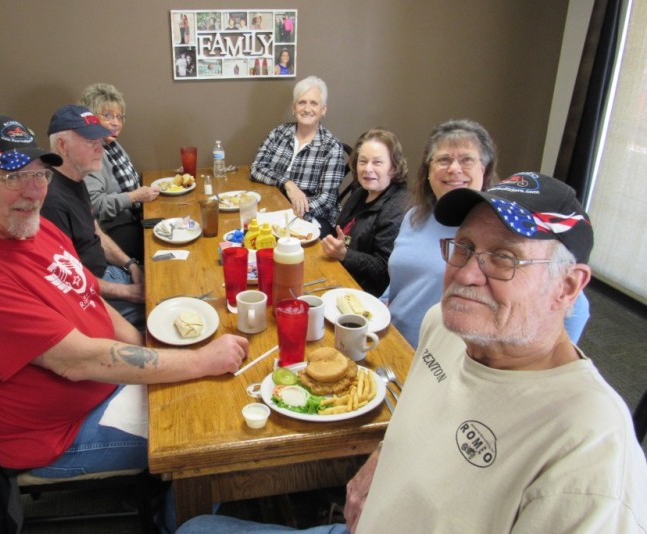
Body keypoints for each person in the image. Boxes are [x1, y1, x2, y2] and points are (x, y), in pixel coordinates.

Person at [178, 172, 647, 533]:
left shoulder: (591, 448)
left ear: (567, 286)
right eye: (463, 247)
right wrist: (375, 466)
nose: (465, 274)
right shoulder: (444, 326)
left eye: (504, 258)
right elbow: (419, 417)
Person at [0, 115, 248, 479]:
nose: (34, 192)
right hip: (60, 434)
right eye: (14, 176)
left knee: (206, 367)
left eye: (40, 174)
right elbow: (75, 361)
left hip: (105, 382)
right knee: (208, 431)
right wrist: (199, 361)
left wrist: (147, 348)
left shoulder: (28, 225)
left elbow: (88, 295)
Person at [383, 119, 590, 348]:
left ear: (484, 169)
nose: (454, 169)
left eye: (466, 160)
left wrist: (544, 363)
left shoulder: (506, 232)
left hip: (441, 361)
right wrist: (380, 305)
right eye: (443, 159)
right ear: (428, 172)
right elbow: (401, 279)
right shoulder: (414, 216)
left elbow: (576, 306)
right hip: (388, 339)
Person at [41, 104, 146, 331]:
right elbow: (68, 281)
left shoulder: (77, 179)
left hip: (110, 274)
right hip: (91, 296)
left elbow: (96, 232)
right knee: (162, 313)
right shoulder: (50, 202)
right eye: (91, 142)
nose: (100, 148)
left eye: (100, 141)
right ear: (62, 145)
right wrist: (127, 291)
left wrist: (131, 265)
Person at [250, 75, 345, 236]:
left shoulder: (332, 147)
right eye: (302, 102)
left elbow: (327, 200)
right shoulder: (278, 133)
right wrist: (288, 184)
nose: (307, 109)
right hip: (273, 209)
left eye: (314, 103)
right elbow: (256, 168)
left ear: (323, 110)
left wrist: (290, 212)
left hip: (312, 217)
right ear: (294, 108)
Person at [321, 128, 408, 296]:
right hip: (339, 273)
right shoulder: (362, 192)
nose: (367, 169)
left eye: (377, 162)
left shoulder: (398, 207)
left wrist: (345, 254)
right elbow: (342, 231)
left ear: (394, 167)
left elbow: (383, 270)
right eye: (363, 161)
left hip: (363, 294)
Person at [80, 83, 158, 263]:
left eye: (119, 117)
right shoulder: (92, 152)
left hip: (134, 220)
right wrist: (134, 196)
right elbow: (95, 205)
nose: (115, 123)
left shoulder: (112, 145)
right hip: (113, 234)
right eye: (107, 116)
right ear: (90, 118)